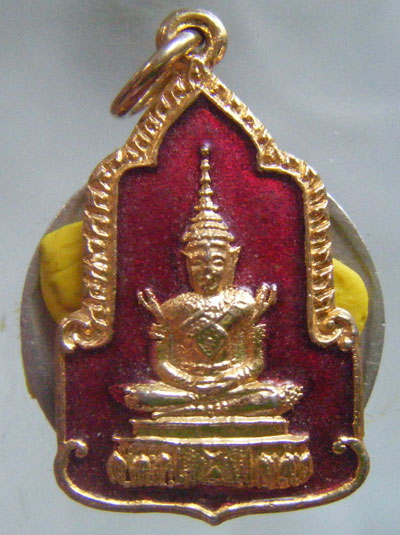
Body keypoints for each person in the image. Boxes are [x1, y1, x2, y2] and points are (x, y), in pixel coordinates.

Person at [121, 145, 303, 418]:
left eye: (217, 262)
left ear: (231, 261)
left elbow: (254, 362)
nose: (207, 271)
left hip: (231, 387)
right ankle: (210, 407)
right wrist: (193, 383)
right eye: (198, 263)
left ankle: (197, 408)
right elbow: (163, 365)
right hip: (186, 387)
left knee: (275, 395)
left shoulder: (243, 303)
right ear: (186, 263)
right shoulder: (173, 308)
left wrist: (228, 380)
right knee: (138, 395)